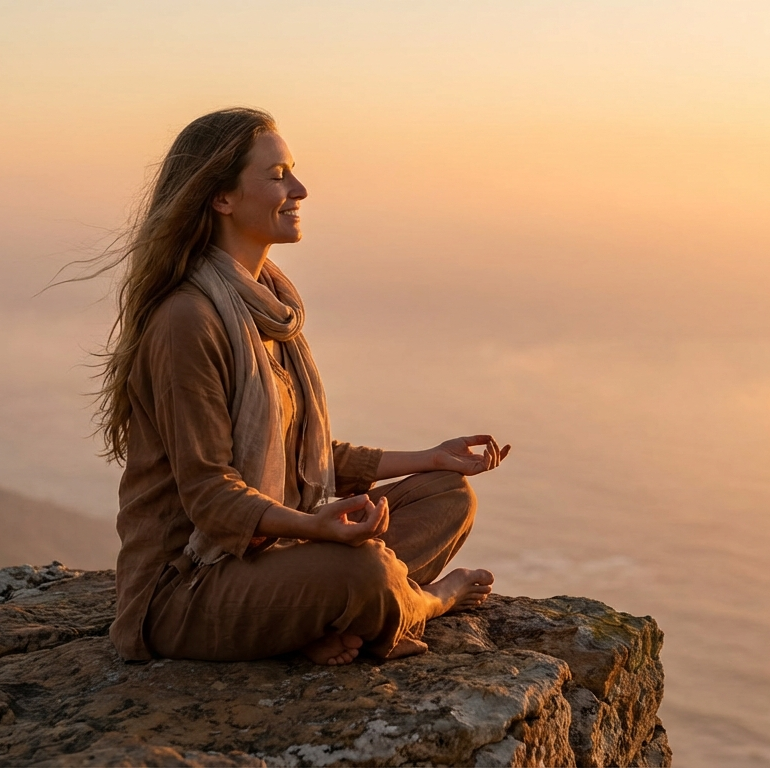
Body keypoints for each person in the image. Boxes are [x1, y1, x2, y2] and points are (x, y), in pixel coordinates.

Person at [93, 107, 508, 666]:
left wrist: (431, 459)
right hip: (186, 590)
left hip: (271, 556)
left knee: (446, 496)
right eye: (278, 175)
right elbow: (212, 497)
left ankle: (319, 617)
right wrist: (314, 527)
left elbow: (304, 456)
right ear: (222, 198)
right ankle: (426, 603)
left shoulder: (269, 307)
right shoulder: (189, 319)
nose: (300, 188)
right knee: (365, 568)